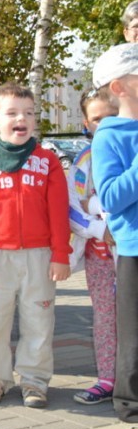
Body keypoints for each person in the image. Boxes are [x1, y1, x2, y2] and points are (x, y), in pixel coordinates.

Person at [0, 84, 71, 408]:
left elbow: (59, 211)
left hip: (40, 257)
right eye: (11, 113)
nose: (21, 119)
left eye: (28, 113)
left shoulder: (47, 161)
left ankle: (34, 381)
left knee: (38, 321)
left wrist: (61, 254)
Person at [90, 42, 138, 429]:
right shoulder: (109, 135)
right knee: (134, 335)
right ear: (120, 87)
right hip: (134, 247)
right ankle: (133, 411)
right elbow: (111, 197)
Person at [69, 85, 118, 405]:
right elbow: (72, 208)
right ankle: (108, 378)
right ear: (86, 124)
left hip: (129, 251)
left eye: (112, 115)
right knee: (105, 317)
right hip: (99, 255)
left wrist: (99, 207)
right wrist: (101, 228)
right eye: (97, 119)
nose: (105, 123)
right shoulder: (84, 161)